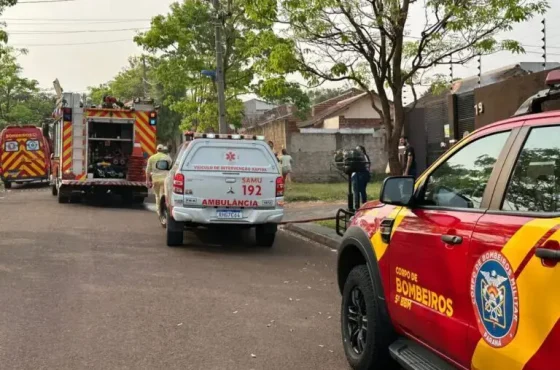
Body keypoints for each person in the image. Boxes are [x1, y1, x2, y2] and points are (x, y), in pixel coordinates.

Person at [146, 144, 172, 217]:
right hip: (165, 180)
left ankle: (159, 212)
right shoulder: (168, 158)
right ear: (163, 150)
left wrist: (147, 181)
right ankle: (164, 210)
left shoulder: (151, 158)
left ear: (156, 150)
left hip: (156, 180)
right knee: (164, 195)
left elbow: (147, 171)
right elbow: (171, 169)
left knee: (157, 196)